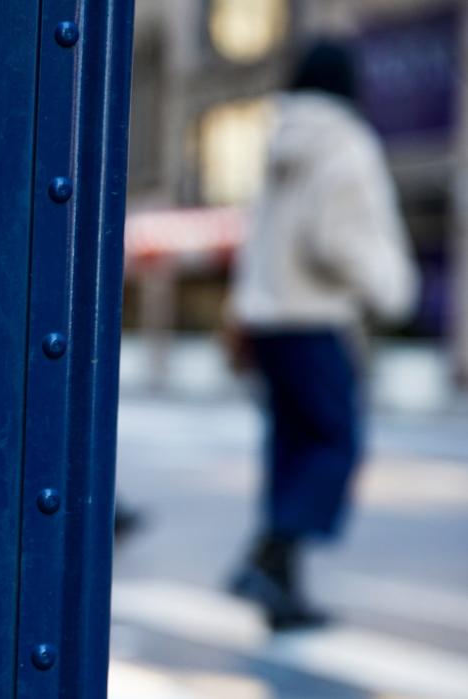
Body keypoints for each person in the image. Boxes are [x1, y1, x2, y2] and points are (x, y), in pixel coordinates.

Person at [225, 40, 419, 631]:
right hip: (316, 319)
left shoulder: (282, 143)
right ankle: (272, 552)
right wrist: (392, 287)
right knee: (336, 442)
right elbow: (336, 237)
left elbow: (259, 238)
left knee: (291, 446)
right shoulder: (346, 144)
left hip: (270, 321)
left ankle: (281, 587)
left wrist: (241, 308)